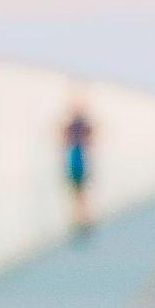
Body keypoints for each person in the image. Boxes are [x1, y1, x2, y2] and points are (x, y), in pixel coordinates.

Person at [62, 96, 95, 235]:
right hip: (77, 158)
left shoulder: (77, 126)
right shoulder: (78, 126)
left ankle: (82, 219)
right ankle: (81, 219)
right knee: (79, 193)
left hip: (78, 159)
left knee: (79, 192)